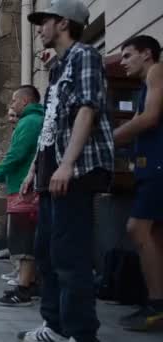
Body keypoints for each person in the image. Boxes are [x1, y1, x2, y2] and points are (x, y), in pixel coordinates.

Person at [19, 2, 115, 341]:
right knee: (47, 253)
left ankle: (81, 333)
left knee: (70, 256)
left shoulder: (85, 56)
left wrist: (68, 164)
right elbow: (52, 123)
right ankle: (56, 326)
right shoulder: (59, 67)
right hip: (52, 172)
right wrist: (35, 169)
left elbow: (87, 109)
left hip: (76, 170)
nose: (39, 28)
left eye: (43, 21)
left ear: (62, 23)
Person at [113, 35, 163, 331]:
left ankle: (156, 305)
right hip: (150, 168)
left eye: (128, 55)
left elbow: (150, 118)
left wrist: (110, 138)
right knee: (155, 236)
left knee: (137, 228)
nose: (123, 62)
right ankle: (156, 303)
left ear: (147, 54)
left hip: (158, 168)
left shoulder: (158, 71)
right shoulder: (144, 86)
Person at [0, 85, 44, 307]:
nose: (11, 105)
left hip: (24, 189)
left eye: (13, 101)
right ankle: (29, 284)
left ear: (25, 101)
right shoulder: (34, 120)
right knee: (24, 239)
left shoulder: (29, 122)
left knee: (24, 241)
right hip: (23, 187)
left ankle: (24, 290)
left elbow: (16, 154)